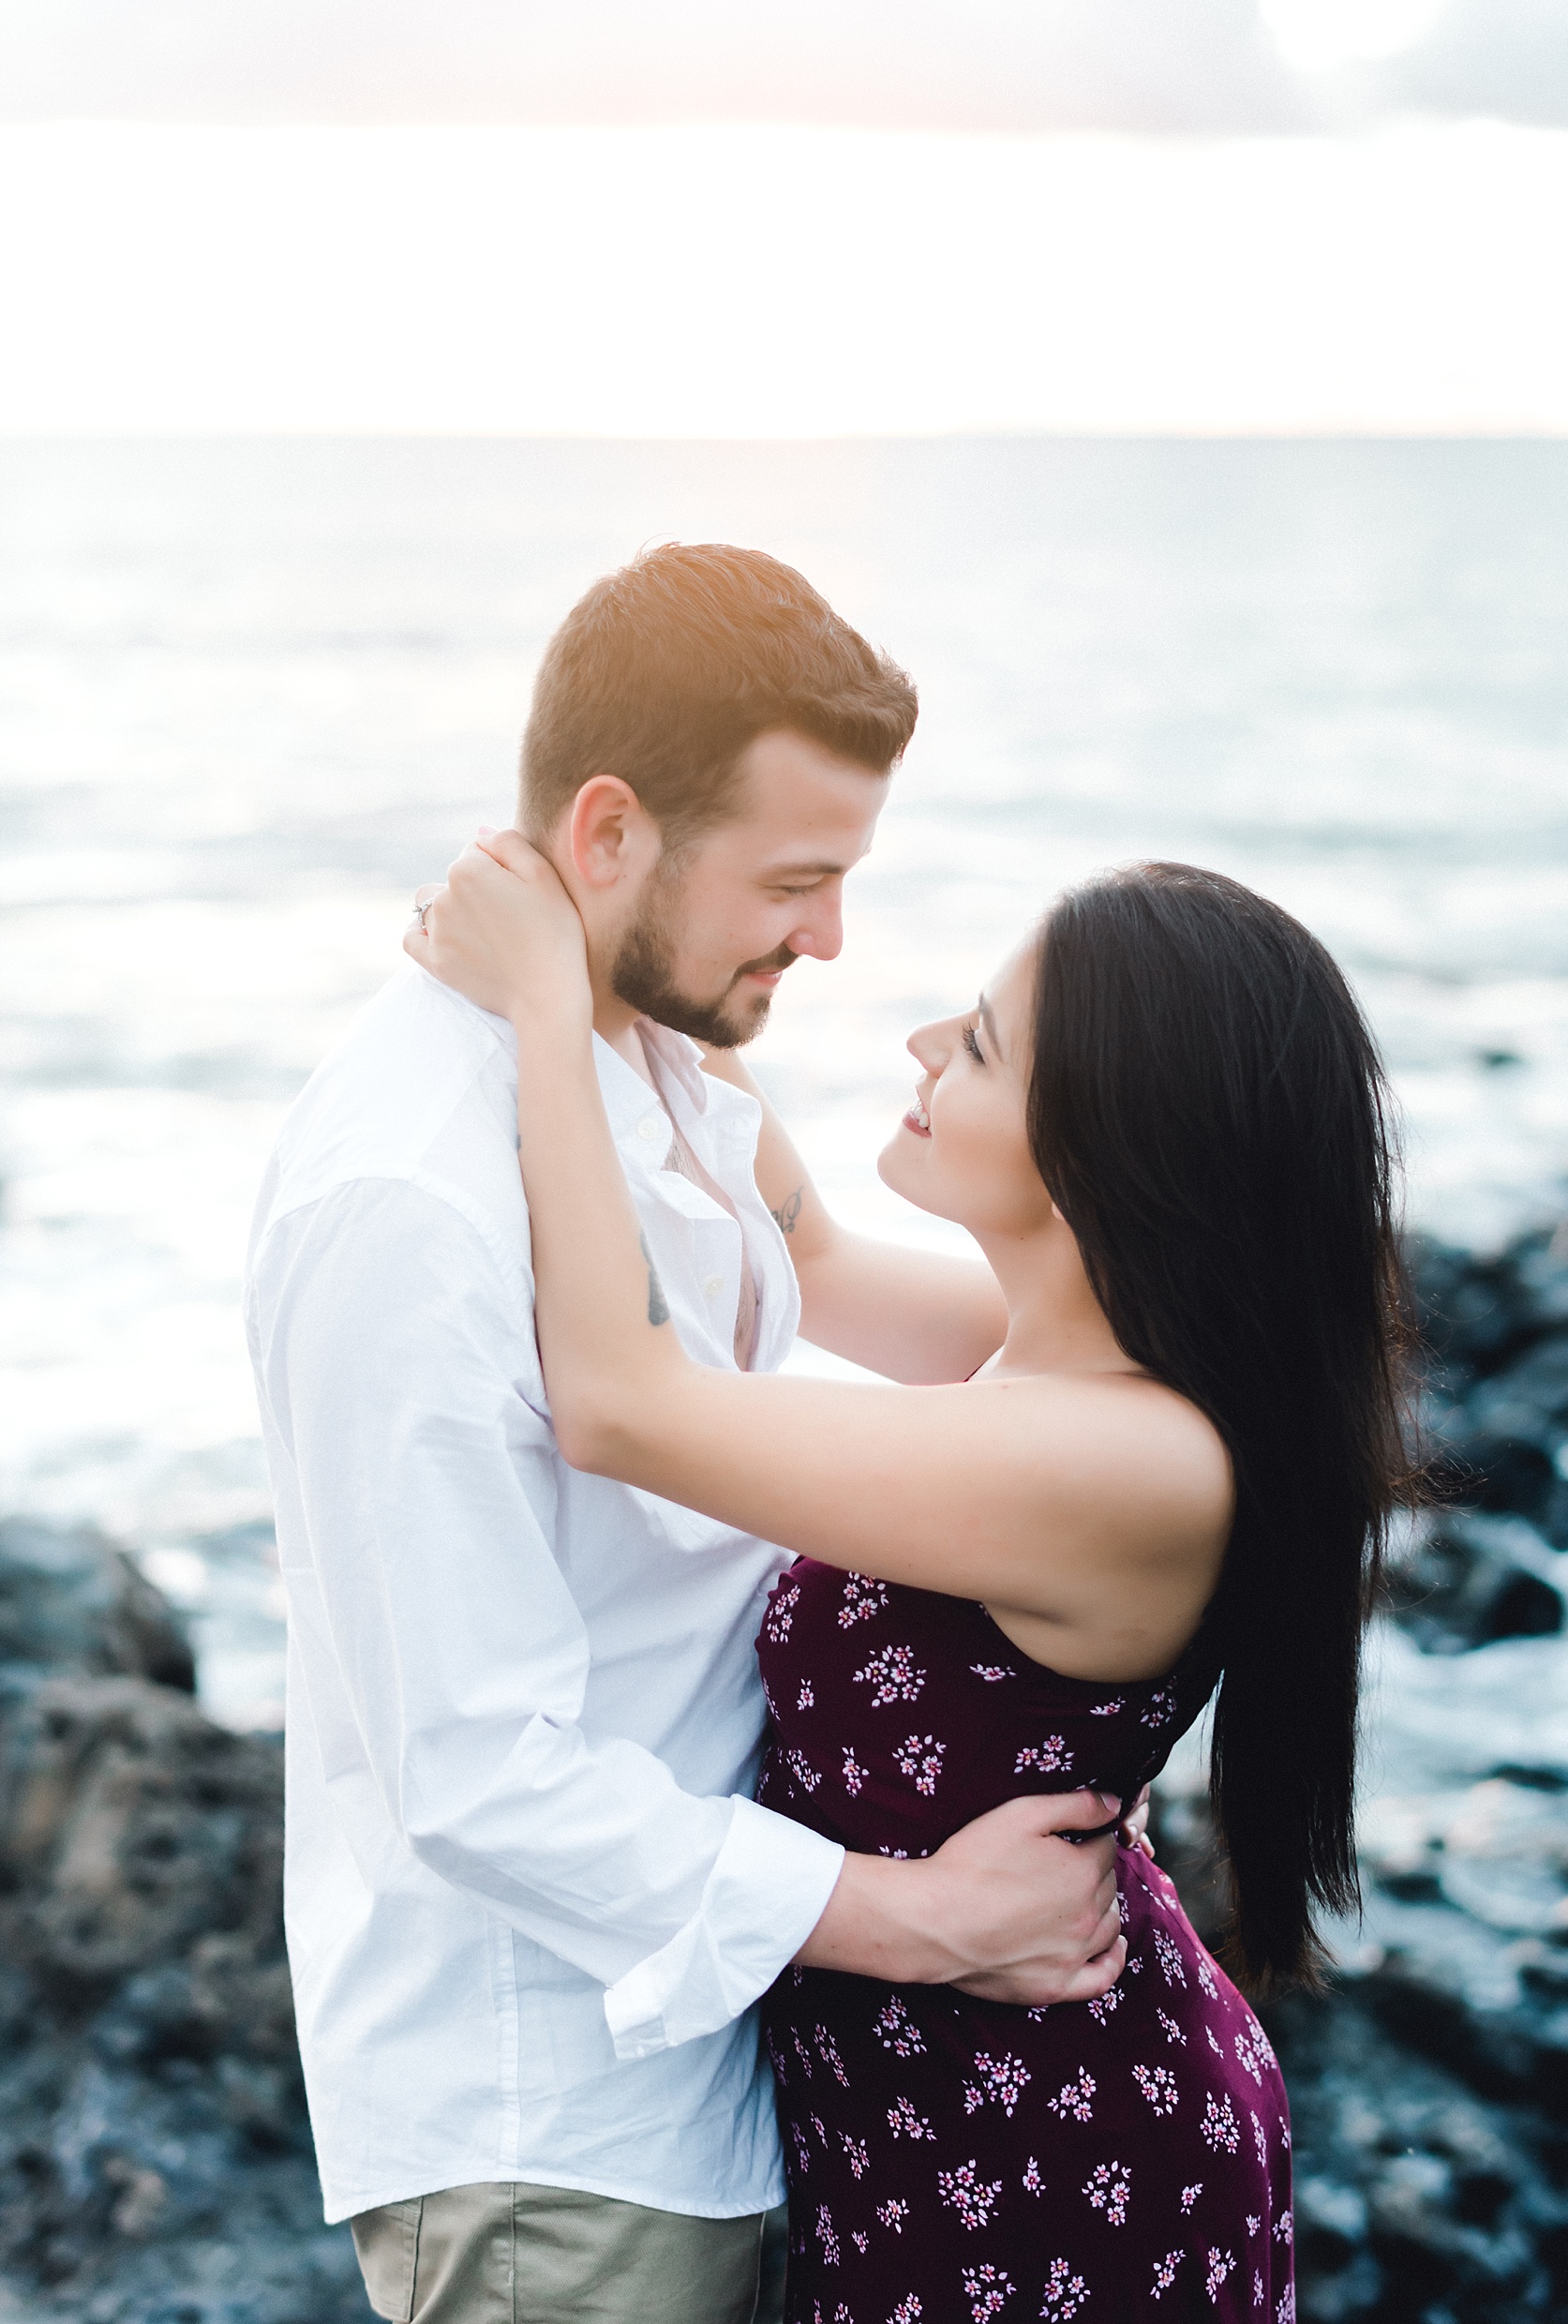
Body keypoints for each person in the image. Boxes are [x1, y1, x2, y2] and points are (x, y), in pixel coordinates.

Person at [245, 546, 1138, 2324]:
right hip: (554, 2129)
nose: (829, 940)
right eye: (797, 880)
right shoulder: (412, 1198)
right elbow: (478, 1772)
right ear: (608, 834)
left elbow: (867, 1315)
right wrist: (926, 1920)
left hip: (731, 2067)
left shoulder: (645, 1060)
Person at [410, 833, 1416, 2324]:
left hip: (1051, 2169)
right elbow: (800, 1244)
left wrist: (550, 1009)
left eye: (986, 1044)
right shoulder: (1056, 1361)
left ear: (1111, 1146)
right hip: (950, 2132)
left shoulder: (1124, 1459)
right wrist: (655, 941)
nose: (923, 1040)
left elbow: (622, 1402)